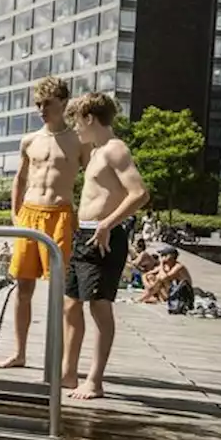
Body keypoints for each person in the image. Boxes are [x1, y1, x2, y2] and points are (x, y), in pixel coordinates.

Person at [60, 92, 150, 400]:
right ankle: (68, 374)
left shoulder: (115, 150)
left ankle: (95, 380)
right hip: (84, 237)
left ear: (89, 118)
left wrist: (106, 224)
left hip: (104, 239)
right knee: (71, 304)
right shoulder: (95, 151)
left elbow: (139, 194)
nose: (74, 128)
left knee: (99, 308)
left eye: (76, 121)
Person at [0, 76, 86, 369]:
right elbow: (20, 179)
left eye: (46, 103)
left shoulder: (77, 141)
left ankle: (62, 360)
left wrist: (83, 216)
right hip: (30, 214)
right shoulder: (30, 140)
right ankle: (20, 352)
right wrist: (15, 214)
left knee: (62, 291)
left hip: (60, 216)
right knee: (23, 287)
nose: (41, 109)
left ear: (62, 102)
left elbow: (94, 180)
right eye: (38, 104)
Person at [141, 245, 192, 310]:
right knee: (151, 277)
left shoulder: (178, 267)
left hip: (182, 294)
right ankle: (152, 297)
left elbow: (165, 278)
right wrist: (148, 285)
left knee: (160, 278)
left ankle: (144, 298)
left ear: (172, 256)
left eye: (164, 255)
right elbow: (145, 275)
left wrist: (161, 263)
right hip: (172, 292)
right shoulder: (166, 266)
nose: (162, 257)